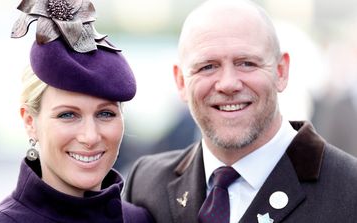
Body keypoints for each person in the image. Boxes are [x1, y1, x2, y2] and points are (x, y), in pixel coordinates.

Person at [123, 0, 357, 222]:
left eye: (246, 63)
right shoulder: (146, 185)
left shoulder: (349, 190)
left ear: (281, 71)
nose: (228, 83)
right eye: (208, 67)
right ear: (181, 82)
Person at [0, 0, 153, 222]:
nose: (90, 137)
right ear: (30, 122)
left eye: (105, 114)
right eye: (68, 115)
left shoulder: (141, 219)